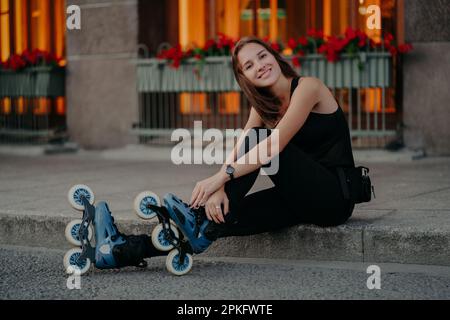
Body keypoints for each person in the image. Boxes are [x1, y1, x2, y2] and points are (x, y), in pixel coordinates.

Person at [111, 36, 356, 266]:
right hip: (301, 196)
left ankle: (194, 219)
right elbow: (242, 144)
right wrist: (219, 188)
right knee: (223, 216)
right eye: (249, 65)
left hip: (334, 198)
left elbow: (273, 146)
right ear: (244, 77)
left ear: (275, 56)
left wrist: (221, 177)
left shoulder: (309, 87)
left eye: (262, 56)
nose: (259, 66)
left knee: (263, 140)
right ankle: (124, 249)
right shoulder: (262, 108)